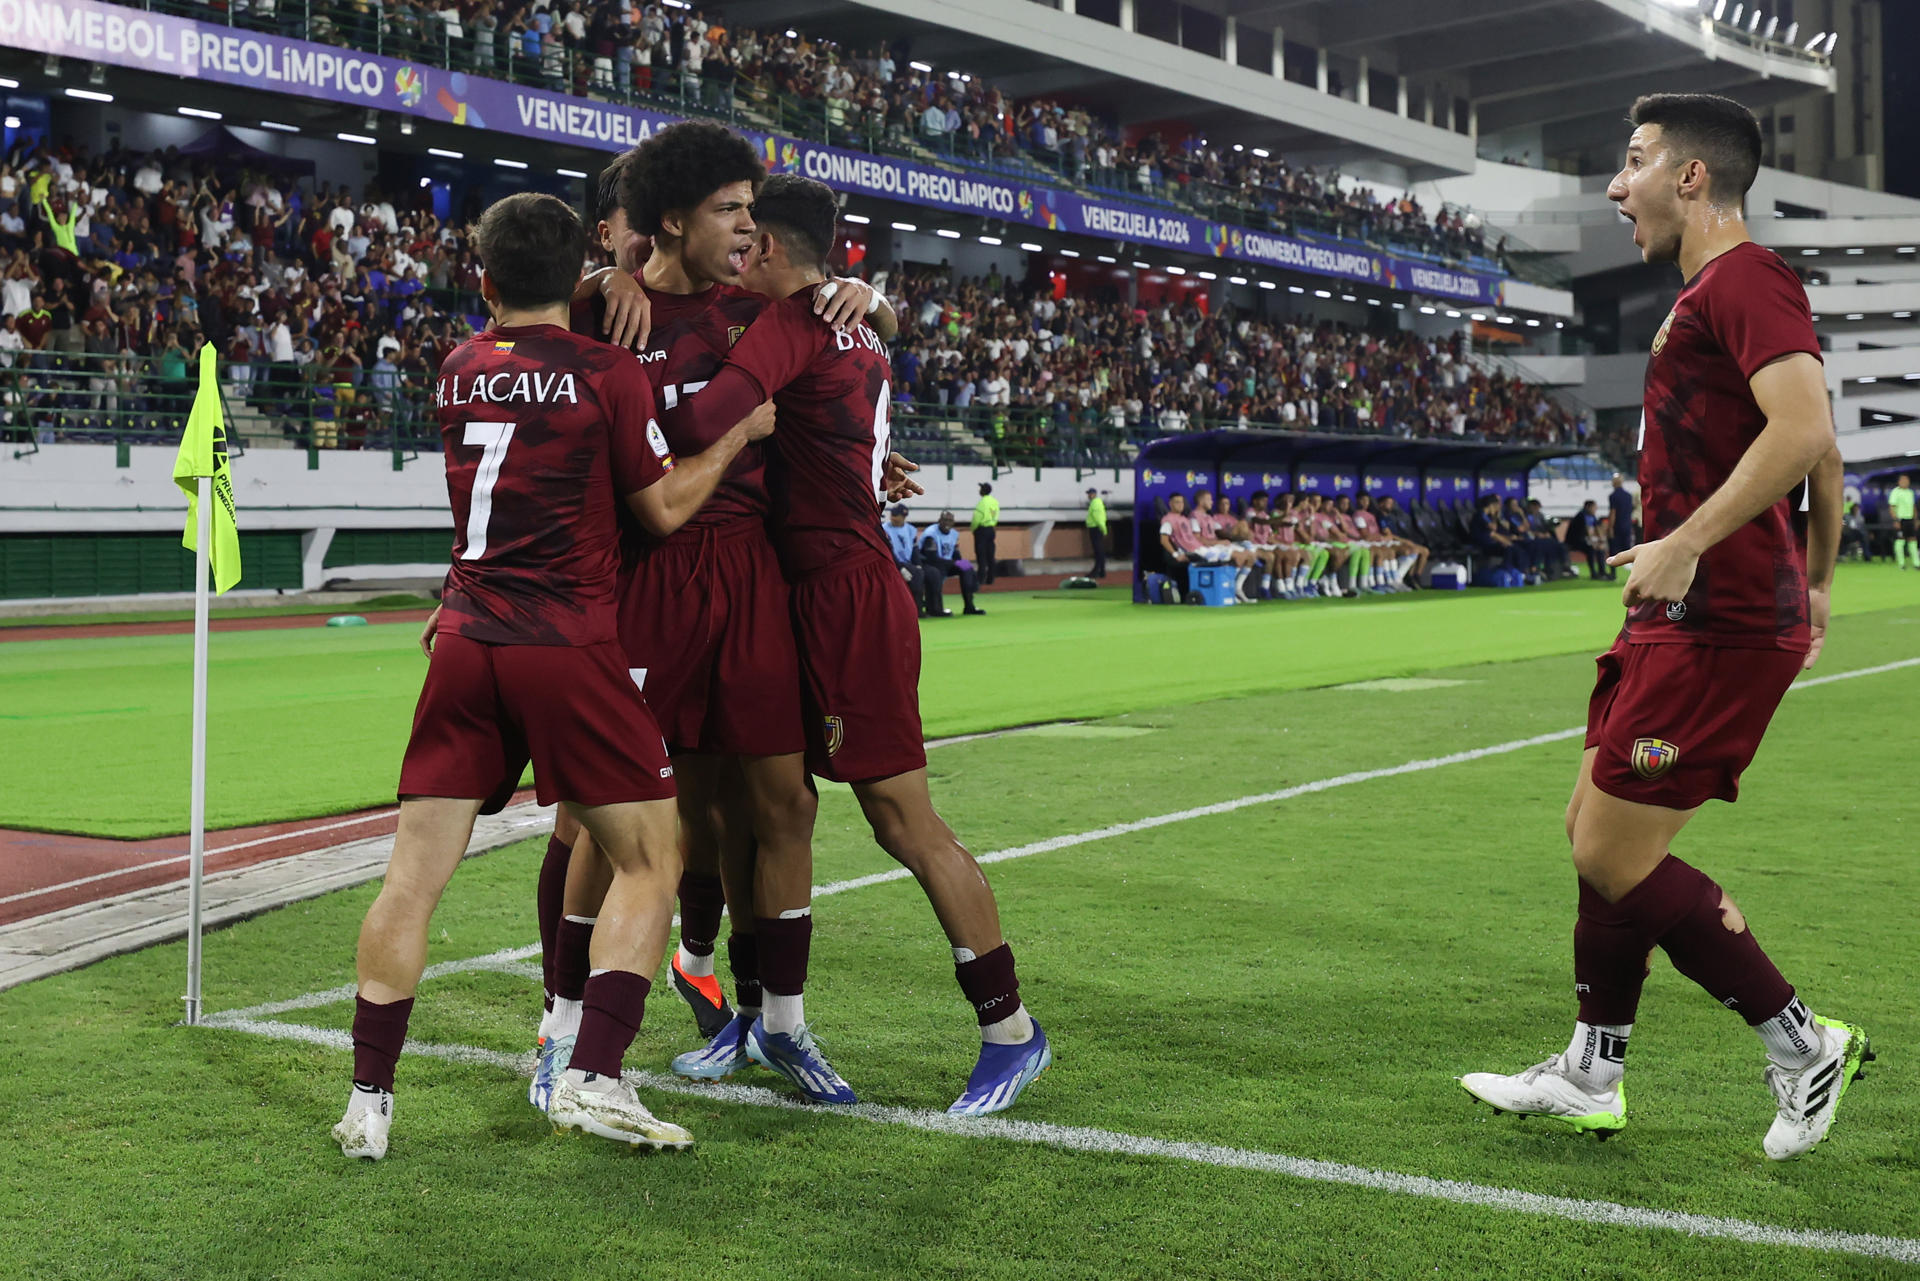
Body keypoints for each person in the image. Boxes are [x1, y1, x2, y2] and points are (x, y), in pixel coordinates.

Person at [1461, 93, 1867, 1160]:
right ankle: (1594, 1072)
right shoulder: (1714, 297)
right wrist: (1818, 584)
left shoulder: (1746, 278)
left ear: (1691, 177)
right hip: (1694, 611)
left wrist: (1690, 541)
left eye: (1633, 161)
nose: (1614, 183)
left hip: (1718, 618)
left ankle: (1801, 1042)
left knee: (1610, 844)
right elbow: (1820, 457)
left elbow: (1808, 429)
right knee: (1592, 832)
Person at [333, 192, 774, 1161]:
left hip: (463, 641)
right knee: (650, 858)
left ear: (482, 279)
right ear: (582, 272)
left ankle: (369, 1102)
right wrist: (737, 437)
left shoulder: (455, 369)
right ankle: (594, 1075)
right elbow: (658, 510)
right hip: (565, 643)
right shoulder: (608, 374)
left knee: (411, 881)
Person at [530, 125, 899, 1111]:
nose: (749, 225)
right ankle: (559, 1035)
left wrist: (876, 298)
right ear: (672, 220)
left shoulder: (766, 312)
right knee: (612, 821)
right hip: (643, 579)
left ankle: (781, 1022)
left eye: (752, 210)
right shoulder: (596, 309)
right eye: (733, 209)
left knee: (784, 801)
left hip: (751, 581)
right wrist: (604, 276)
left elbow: (847, 357)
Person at [694, 174, 1051, 1113]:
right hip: (804, 589)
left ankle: (1011, 1029)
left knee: (900, 819)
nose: (735, 252)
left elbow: (702, 415)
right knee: (771, 806)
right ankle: (773, 1019)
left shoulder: (798, 321)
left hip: (846, 594)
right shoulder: (848, 323)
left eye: (745, 240)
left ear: (769, 247)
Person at [920, 510, 987, 616]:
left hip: (946, 563)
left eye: (950, 521)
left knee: (966, 567)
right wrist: (954, 563)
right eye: (945, 520)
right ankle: (936, 608)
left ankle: (969, 606)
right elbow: (931, 557)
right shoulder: (931, 534)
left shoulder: (954, 534)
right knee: (936, 573)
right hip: (930, 563)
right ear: (939, 521)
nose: (947, 523)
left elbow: (955, 552)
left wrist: (960, 563)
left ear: (953, 522)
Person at [884, 503, 939, 615]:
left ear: (903, 517)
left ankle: (935, 609)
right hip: (893, 563)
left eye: (896, 515)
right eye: (892, 515)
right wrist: (900, 568)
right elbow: (888, 552)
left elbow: (914, 550)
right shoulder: (884, 529)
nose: (892, 517)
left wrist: (918, 564)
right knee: (917, 574)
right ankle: (917, 610)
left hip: (908, 563)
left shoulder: (910, 530)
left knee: (934, 573)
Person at [1566, 499, 1607, 578]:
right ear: (1588, 507)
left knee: (1600, 549)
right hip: (1574, 541)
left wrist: (1601, 540)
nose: (1595, 509)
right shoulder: (1581, 516)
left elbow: (1597, 527)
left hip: (1584, 540)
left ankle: (1602, 572)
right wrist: (1593, 543)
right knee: (1591, 550)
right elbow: (1587, 530)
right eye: (1594, 507)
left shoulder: (1591, 515)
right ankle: (1593, 573)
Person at [1607, 471, 1636, 571]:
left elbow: (1613, 513)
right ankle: (1632, 571)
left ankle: (1612, 574)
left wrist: (1610, 528)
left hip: (1617, 526)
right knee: (1628, 549)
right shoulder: (1628, 496)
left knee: (1613, 550)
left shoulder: (1613, 496)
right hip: (1627, 525)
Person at [972, 482, 999, 583]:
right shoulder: (994, 502)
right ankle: (991, 578)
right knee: (990, 555)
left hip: (981, 530)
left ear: (983, 491)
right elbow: (996, 516)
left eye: (981, 488)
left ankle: (980, 579)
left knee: (981, 555)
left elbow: (976, 519)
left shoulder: (982, 502)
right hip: (991, 529)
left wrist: (973, 529)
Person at [1889, 475, 1916, 569]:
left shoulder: (1910, 492)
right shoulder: (1895, 492)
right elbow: (1892, 507)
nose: (1905, 482)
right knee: (1900, 540)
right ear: (1899, 481)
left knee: (1912, 540)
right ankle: (1901, 563)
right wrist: (1895, 520)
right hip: (1901, 519)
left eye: (1907, 480)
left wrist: (1915, 519)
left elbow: (1913, 506)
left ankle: (1916, 563)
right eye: (1903, 480)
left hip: (1910, 519)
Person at [1085, 486, 1108, 578]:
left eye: (1090, 494)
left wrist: (1103, 529)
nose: (1088, 495)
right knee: (1099, 551)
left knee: (1098, 551)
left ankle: (1098, 571)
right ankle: (1101, 571)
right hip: (1096, 528)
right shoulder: (1096, 503)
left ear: (1094, 494)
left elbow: (1098, 518)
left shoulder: (1095, 503)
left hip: (1095, 529)